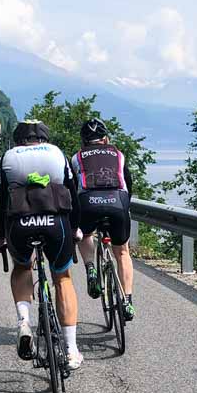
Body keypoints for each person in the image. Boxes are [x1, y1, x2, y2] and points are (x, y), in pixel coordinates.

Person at [0, 120, 84, 370]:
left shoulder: (8, 157)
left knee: (22, 268)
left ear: (18, 139)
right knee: (62, 278)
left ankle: (24, 322)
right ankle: (71, 349)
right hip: (56, 223)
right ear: (44, 138)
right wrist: (75, 229)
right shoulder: (57, 154)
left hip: (19, 224)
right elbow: (73, 195)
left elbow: (2, 202)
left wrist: (1, 237)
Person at [71, 118, 136, 321]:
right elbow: (128, 183)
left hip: (88, 203)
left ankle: (91, 269)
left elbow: (72, 189)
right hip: (117, 202)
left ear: (83, 141)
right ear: (106, 138)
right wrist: (125, 208)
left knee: (85, 234)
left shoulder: (76, 157)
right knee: (123, 252)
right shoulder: (118, 154)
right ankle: (127, 300)